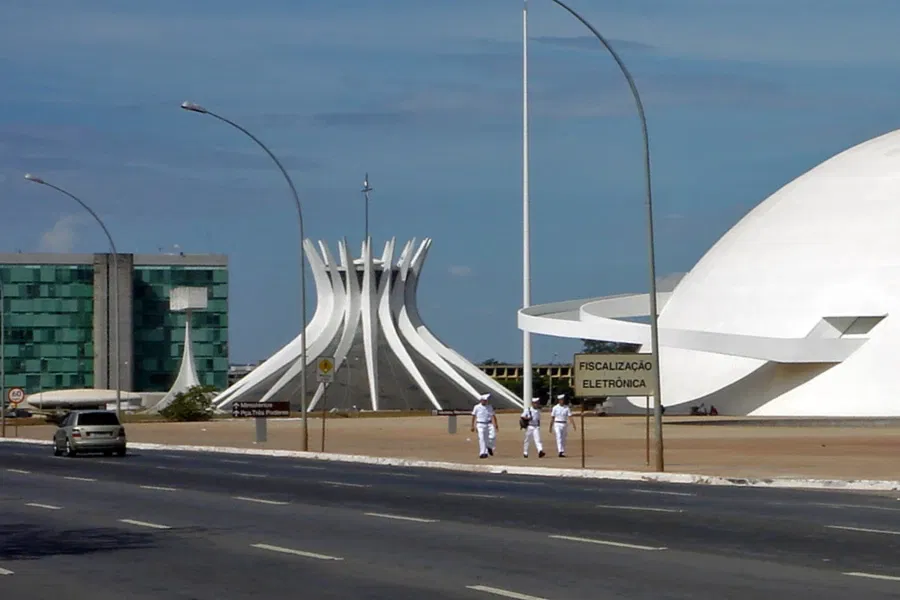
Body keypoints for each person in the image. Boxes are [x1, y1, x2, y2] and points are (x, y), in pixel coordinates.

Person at [470, 393, 498, 458]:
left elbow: (493, 415)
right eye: (484, 400)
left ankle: (489, 446)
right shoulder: (476, 407)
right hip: (480, 424)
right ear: (481, 400)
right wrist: (472, 425)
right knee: (482, 438)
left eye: (486, 400)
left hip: (489, 424)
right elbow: (473, 416)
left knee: (492, 436)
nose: (485, 401)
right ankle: (483, 453)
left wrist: (496, 424)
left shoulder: (489, 407)